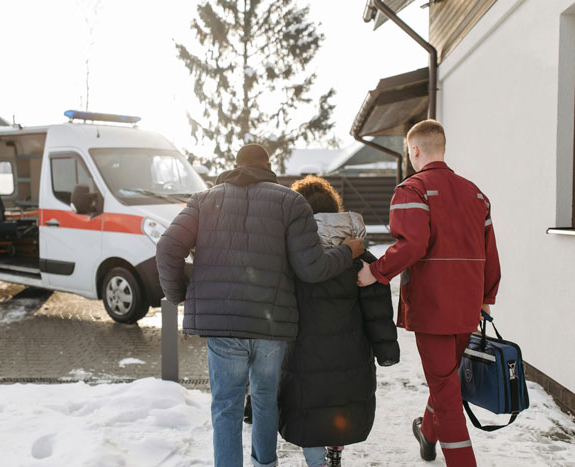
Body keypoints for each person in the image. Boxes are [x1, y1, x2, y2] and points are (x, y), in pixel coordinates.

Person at [156, 144, 365, 467]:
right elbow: (311, 268)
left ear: (235, 165)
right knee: (266, 401)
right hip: (271, 325)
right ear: (268, 166)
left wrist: (178, 293)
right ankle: (264, 464)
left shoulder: (204, 200)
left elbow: (168, 246)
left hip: (223, 327)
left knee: (226, 406)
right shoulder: (290, 202)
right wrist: (348, 252)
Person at [357, 120, 501, 467]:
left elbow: (413, 244)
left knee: (447, 394)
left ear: (415, 150)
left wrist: (374, 273)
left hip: (433, 310)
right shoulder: (476, 194)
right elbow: (491, 254)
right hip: (467, 307)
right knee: (446, 382)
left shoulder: (412, 190)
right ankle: (427, 433)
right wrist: (486, 297)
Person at [278, 175, 400, 467]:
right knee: (340, 406)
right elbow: (377, 310)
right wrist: (386, 352)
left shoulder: (292, 258)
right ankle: (335, 451)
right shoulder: (362, 258)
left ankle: (319, 460)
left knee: (309, 410)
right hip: (351, 353)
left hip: (303, 355)